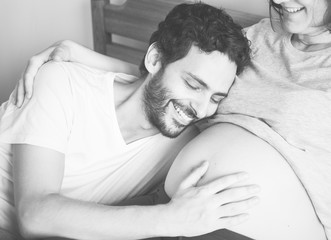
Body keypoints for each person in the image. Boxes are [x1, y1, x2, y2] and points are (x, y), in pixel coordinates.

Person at [16, 0, 331, 239]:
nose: (203, 108)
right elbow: (184, 69)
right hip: (177, 215)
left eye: (217, 100)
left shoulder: (185, 117)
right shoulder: (258, 38)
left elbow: (189, 81)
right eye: (195, 88)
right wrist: (80, 56)